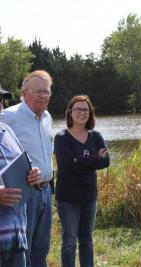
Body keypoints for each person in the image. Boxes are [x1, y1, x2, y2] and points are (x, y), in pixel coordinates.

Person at [0, 70, 54, 267]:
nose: (42, 96)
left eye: (46, 91)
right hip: (22, 194)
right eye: (37, 91)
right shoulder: (8, 117)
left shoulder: (47, 117)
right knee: (25, 249)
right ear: (24, 93)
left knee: (41, 248)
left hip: (45, 190)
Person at [54, 95, 110, 267]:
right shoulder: (61, 137)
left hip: (89, 195)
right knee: (69, 241)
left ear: (90, 113)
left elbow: (105, 162)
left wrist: (80, 158)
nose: (82, 112)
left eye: (85, 109)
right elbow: (68, 165)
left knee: (87, 240)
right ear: (70, 112)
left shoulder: (95, 136)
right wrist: (93, 159)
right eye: (78, 109)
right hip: (68, 197)